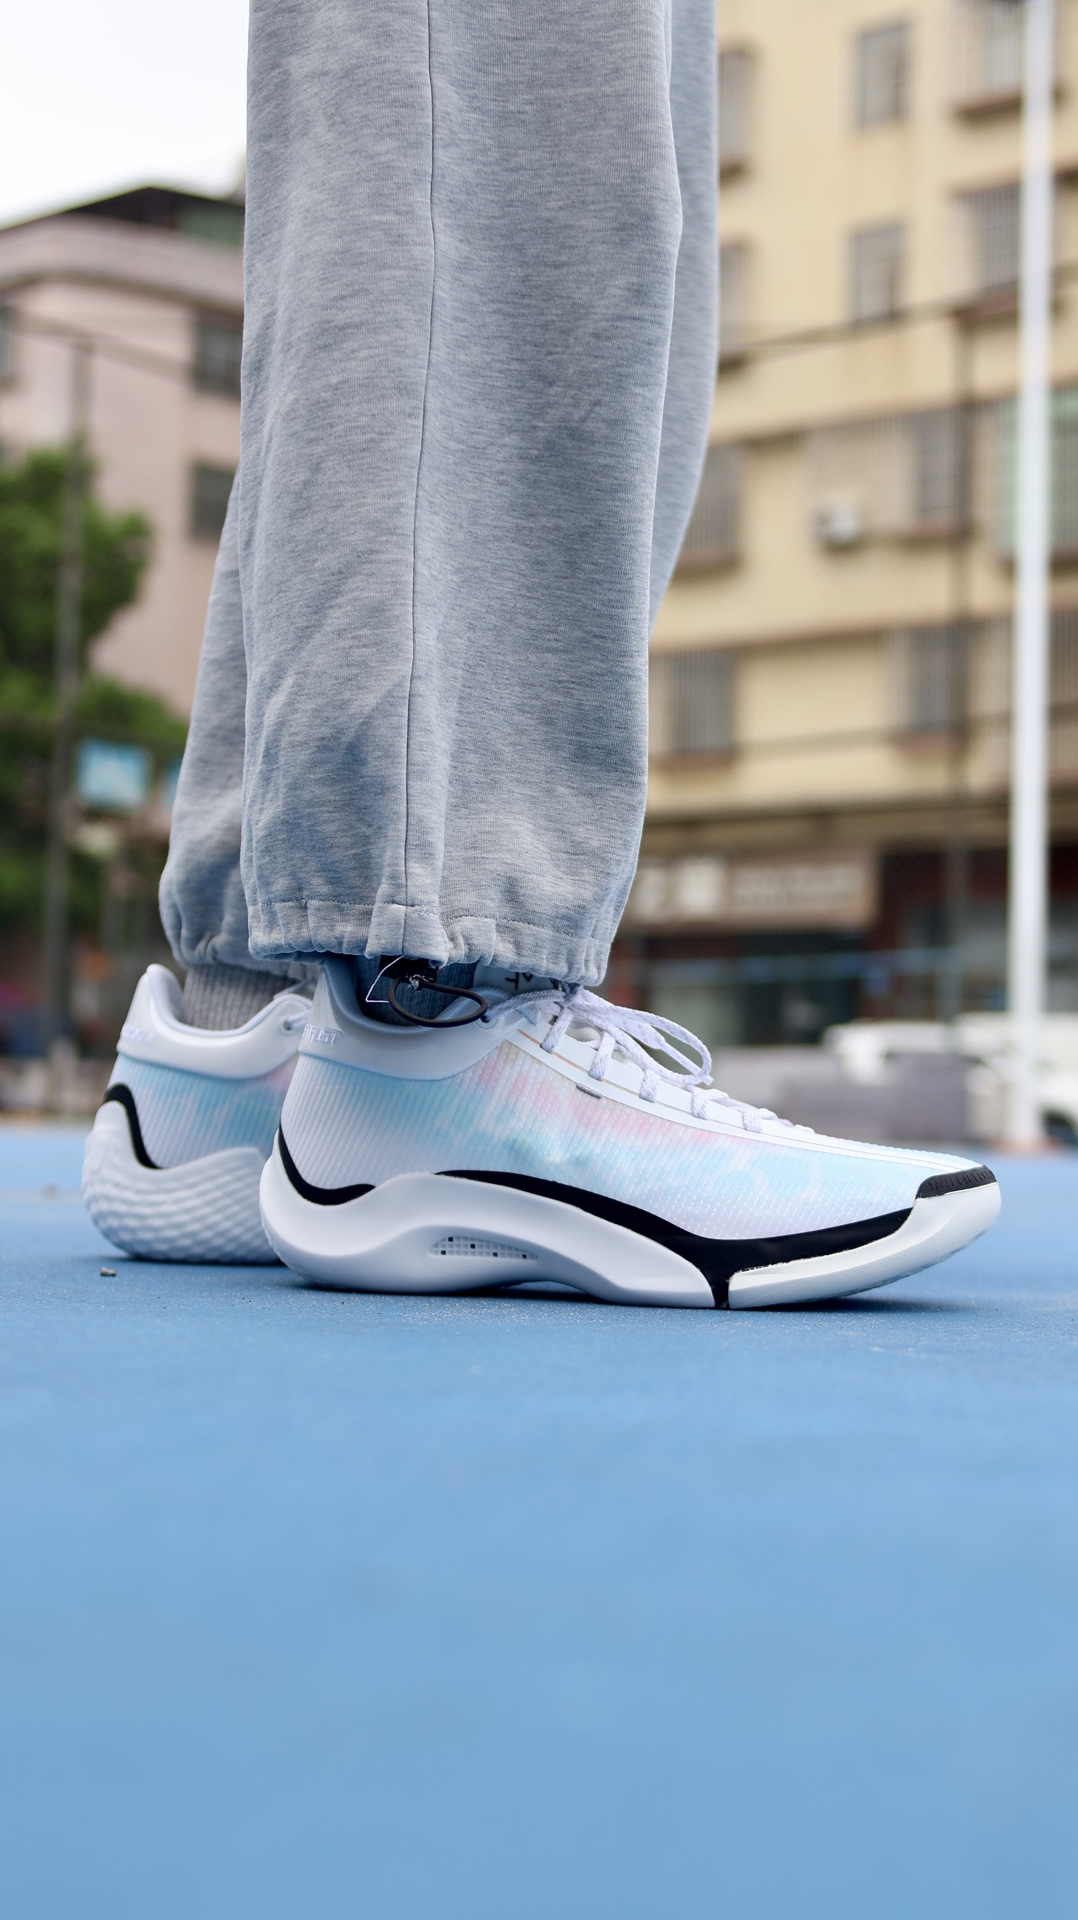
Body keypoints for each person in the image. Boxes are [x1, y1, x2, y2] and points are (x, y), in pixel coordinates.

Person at [82, 0, 1000, 1305]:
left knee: (587, 186)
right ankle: (428, 1017)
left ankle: (258, 1040)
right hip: (422, 1005)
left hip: (263, 1033)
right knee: (511, 122)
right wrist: (443, 931)